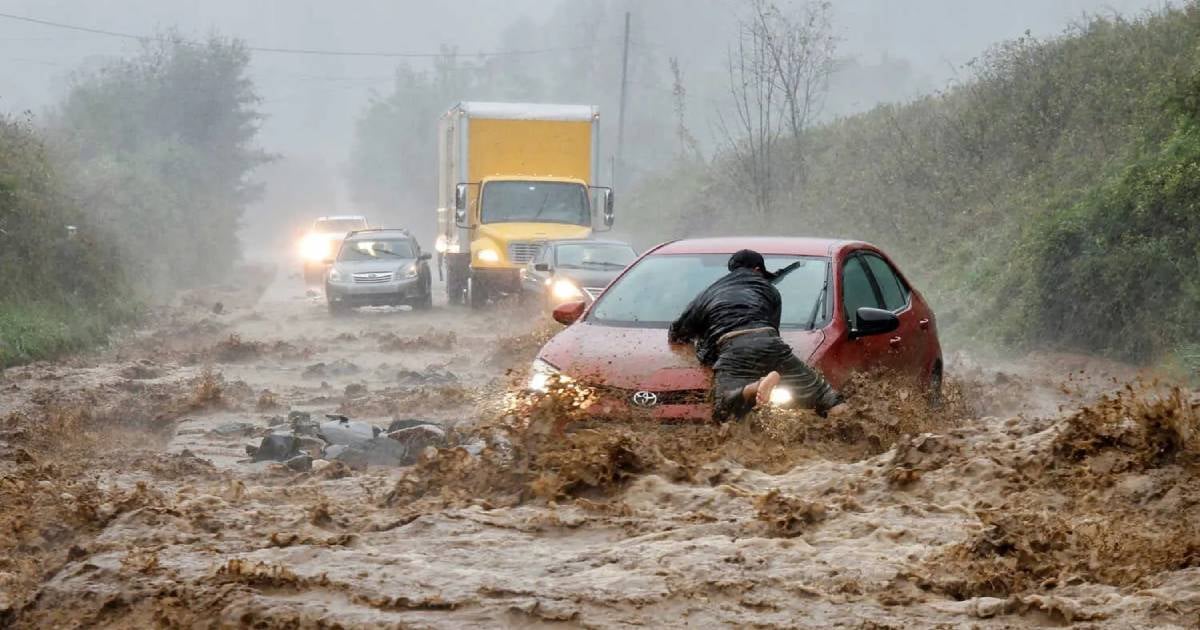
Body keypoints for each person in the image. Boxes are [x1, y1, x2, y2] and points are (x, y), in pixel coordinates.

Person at [668, 249, 848, 421]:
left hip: (733, 346)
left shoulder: (708, 294)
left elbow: (677, 332)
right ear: (757, 269)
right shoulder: (770, 290)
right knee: (827, 396)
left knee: (722, 408)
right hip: (769, 341)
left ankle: (755, 387)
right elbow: (772, 333)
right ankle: (851, 436)